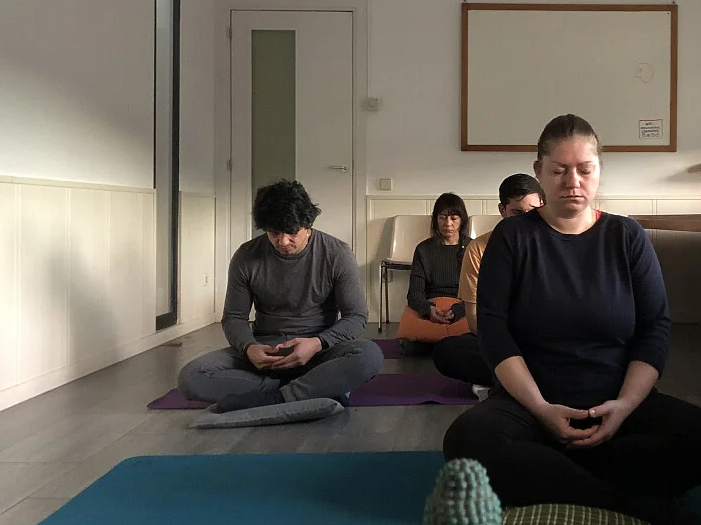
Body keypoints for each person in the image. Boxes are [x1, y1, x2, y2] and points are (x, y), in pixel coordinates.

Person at [442, 115, 701, 525]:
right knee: (465, 443)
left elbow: (655, 327)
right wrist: (541, 409)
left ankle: (560, 475)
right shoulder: (512, 237)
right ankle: (633, 507)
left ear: (599, 170)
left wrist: (625, 406)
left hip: (615, 403)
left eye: (585, 169)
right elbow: (494, 331)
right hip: (532, 406)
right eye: (559, 170)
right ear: (539, 171)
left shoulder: (626, 236)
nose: (572, 182)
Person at [178, 180, 383, 412]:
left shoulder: (337, 253)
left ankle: (277, 396)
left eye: (292, 232)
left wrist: (317, 343)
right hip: (266, 353)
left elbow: (356, 316)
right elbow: (234, 317)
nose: (283, 241)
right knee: (191, 376)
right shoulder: (246, 256)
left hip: (318, 352)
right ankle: (306, 390)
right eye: (274, 233)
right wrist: (249, 347)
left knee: (369, 355)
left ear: (308, 225)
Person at [431, 174, 544, 389]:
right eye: (517, 213)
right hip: (502, 341)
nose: (526, 220)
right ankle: (525, 378)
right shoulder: (478, 249)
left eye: (533, 211)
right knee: (448, 351)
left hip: (546, 340)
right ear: (502, 210)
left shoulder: (553, 243)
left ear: (542, 206)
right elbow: (474, 319)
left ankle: (511, 381)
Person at [398, 193, 472, 355]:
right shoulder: (423, 249)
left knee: (479, 329)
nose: (448, 223)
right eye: (442, 218)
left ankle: (440, 344)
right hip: (432, 308)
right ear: (435, 220)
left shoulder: (472, 248)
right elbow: (414, 292)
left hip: (463, 308)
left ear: (462, 220)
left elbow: (479, 292)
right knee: (409, 345)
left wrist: (459, 310)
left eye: (454, 218)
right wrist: (428, 310)